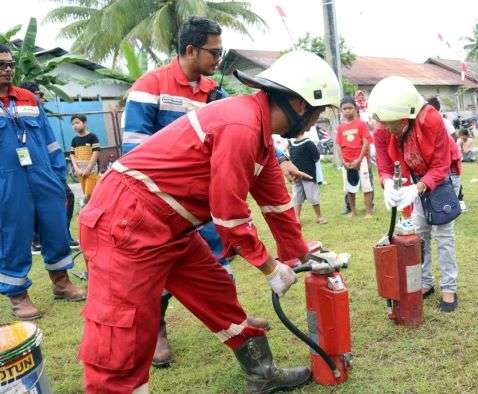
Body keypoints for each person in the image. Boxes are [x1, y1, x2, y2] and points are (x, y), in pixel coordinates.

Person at [77, 50, 340, 392]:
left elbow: (277, 207)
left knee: (216, 292)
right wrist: (269, 267)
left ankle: (262, 374)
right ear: (301, 105)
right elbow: (228, 215)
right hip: (126, 220)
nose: (314, 121)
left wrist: (300, 256)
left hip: (169, 226)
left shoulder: (259, 137)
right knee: (122, 334)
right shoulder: (241, 125)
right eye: (318, 112)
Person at [119, 16, 268, 367]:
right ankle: (156, 330)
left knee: (217, 264)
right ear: (191, 50)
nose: (218, 60)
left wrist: (278, 157)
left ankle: (235, 321)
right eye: (214, 53)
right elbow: (135, 151)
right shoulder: (150, 86)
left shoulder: (214, 92)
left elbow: (246, 125)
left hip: (203, 201)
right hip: (160, 202)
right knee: (160, 270)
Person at [0, 45, 85, 320]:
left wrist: (58, 176)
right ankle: (18, 296)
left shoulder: (28, 99)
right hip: (8, 182)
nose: (8, 69)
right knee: (14, 236)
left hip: (43, 175)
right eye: (1, 65)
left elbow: (49, 140)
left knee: (56, 228)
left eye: (10, 64)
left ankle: (61, 282)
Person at [369, 76, 460, 312]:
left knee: (443, 233)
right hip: (416, 180)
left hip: (442, 178)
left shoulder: (430, 119)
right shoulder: (382, 127)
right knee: (419, 233)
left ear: (408, 115)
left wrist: (417, 188)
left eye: (395, 124)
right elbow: (385, 166)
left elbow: (441, 166)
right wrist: (388, 183)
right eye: (386, 124)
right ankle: (426, 282)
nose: (390, 130)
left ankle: (449, 287)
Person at [20, 81, 79, 249]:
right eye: (38, 94)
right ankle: (38, 238)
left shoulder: (39, 114)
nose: (42, 98)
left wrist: (59, 172)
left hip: (50, 169)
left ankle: (61, 235)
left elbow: (52, 145)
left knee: (65, 197)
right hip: (31, 171)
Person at [336, 96, 374, 218]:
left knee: (366, 186)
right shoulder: (340, 127)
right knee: (349, 187)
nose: (347, 111)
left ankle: (368, 211)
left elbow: (366, 142)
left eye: (350, 108)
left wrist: (359, 159)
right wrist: (342, 161)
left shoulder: (361, 124)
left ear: (355, 109)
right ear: (341, 110)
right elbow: (338, 145)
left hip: (360, 160)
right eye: (344, 109)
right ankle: (353, 211)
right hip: (347, 162)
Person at [289, 133, 327, 224]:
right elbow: (291, 159)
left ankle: (319, 217)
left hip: (309, 175)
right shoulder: (292, 144)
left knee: (313, 196)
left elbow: (316, 157)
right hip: (297, 176)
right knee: (297, 197)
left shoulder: (308, 143)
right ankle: (297, 218)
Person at [69, 114, 101, 204]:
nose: (74, 125)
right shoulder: (74, 140)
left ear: (84, 123)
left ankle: (83, 206)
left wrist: (88, 169)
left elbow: (95, 152)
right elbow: (72, 155)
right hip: (80, 172)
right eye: (72, 124)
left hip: (91, 171)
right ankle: (88, 209)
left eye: (77, 123)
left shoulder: (92, 137)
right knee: (86, 193)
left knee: (89, 194)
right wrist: (76, 169)